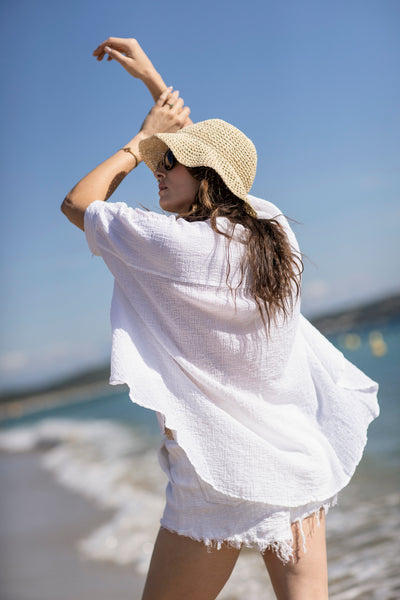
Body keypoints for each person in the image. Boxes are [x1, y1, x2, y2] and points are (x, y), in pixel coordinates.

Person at [61, 37, 379, 600]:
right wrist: (154, 80)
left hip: (217, 470)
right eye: (159, 160)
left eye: (172, 161)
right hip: (293, 455)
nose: (161, 168)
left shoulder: (169, 245)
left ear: (205, 173)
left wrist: (140, 140)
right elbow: (224, 162)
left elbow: (78, 202)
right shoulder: (274, 230)